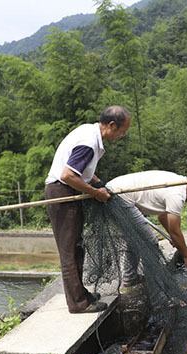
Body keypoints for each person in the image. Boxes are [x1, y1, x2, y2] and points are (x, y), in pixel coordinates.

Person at [44, 105, 131, 313]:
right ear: (111, 125)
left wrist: (98, 183)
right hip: (62, 192)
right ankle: (78, 304)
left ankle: (81, 294)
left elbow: (80, 171)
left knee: (76, 248)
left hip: (69, 191)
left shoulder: (90, 134)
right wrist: (94, 192)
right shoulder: (89, 143)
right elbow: (67, 175)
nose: (123, 135)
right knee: (69, 251)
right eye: (122, 130)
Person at [105, 170, 187, 284]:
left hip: (115, 191)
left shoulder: (178, 183)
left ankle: (130, 278)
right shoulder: (177, 194)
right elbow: (175, 231)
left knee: (135, 237)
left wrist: (173, 237)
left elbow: (162, 217)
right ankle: (157, 292)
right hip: (117, 195)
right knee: (150, 242)